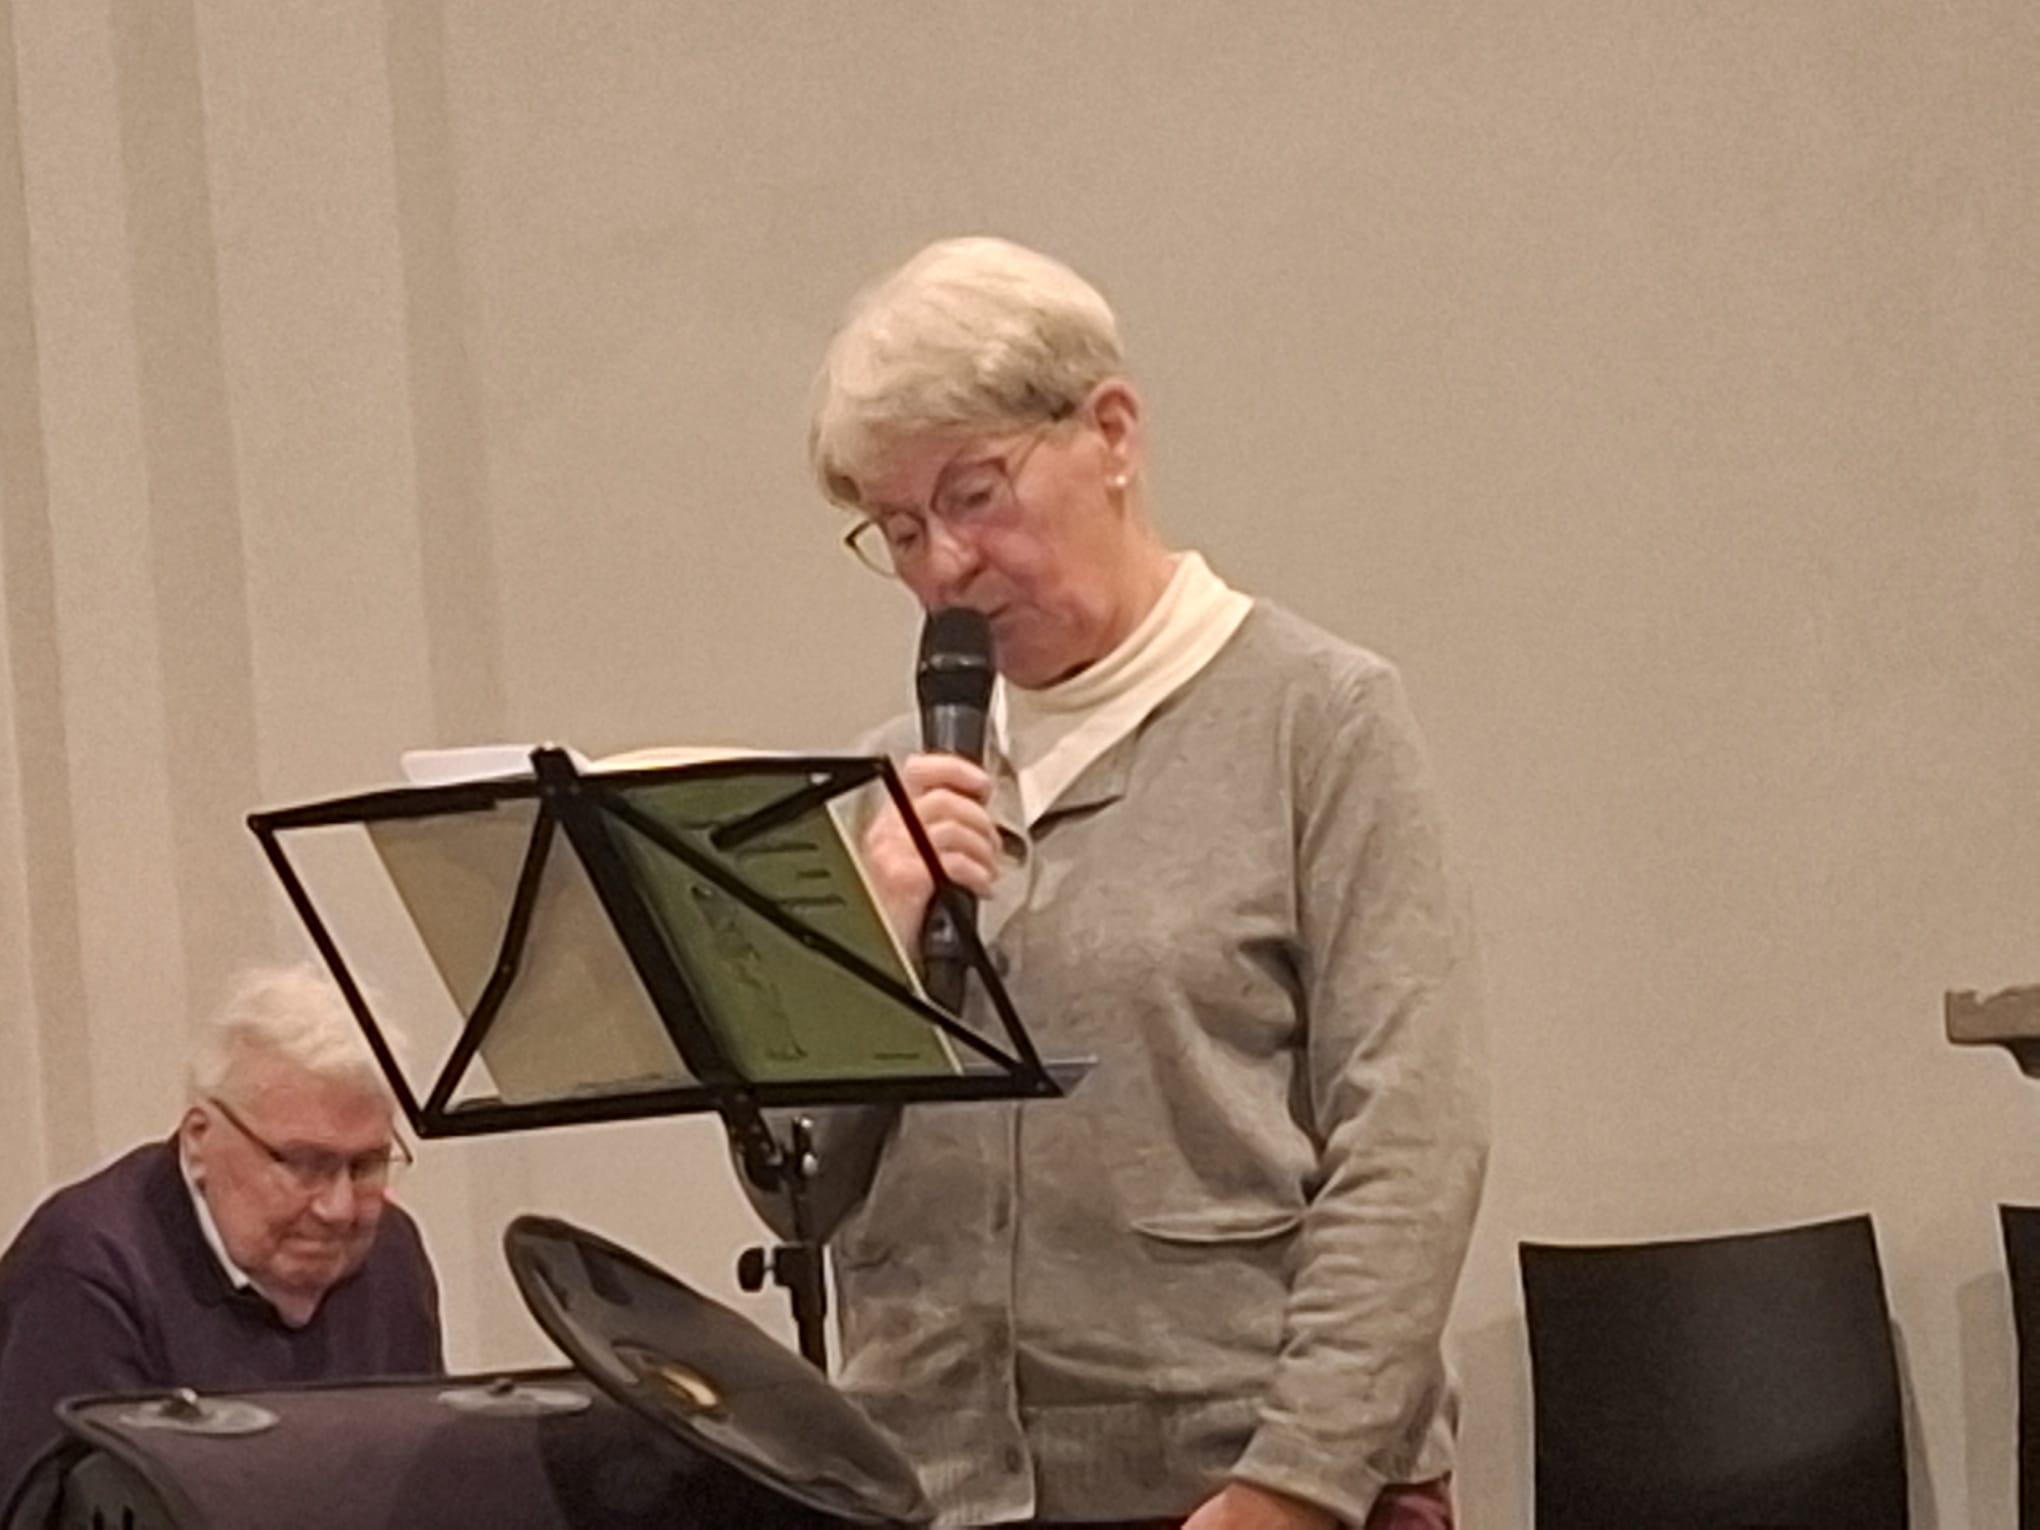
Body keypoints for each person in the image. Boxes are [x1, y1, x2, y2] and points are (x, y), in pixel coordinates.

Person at [792, 236, 1488, 1530]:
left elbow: (1411, 1142)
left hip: (1246, 1488)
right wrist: (865, 952)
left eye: (973, 493)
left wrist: (1295, 1482)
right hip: (936, 1490)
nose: (942, 565)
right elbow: (795, 1190)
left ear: (1110, 432)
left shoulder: (1317, 717)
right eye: (899, 529)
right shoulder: (893, 782)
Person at [0, 962, 443, 1503]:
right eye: (304, 1164)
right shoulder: (86, 1272)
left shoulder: (392, 1254)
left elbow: (423, 1493)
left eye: (366, 1165)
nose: (339, 1208)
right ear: (199, 1140)